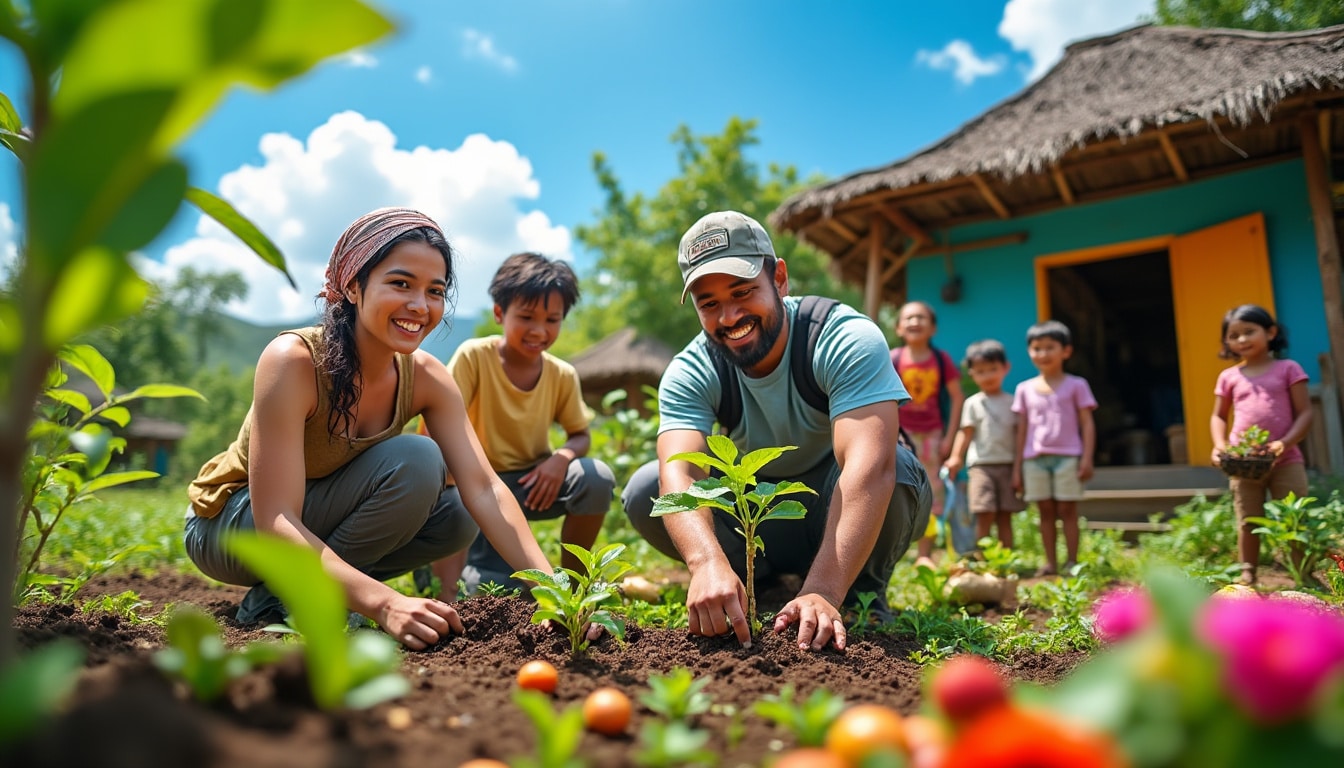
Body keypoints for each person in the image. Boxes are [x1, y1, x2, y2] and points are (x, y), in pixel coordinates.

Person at [184, 207, 555, 649]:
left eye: (434, 291)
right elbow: (276, 520)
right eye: (401, 284)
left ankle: (289, 598)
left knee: (457, 516)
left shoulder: (428, 379)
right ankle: (306, 595)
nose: (419, 306)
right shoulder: (294, 361)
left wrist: (556, 591)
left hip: (318, 519)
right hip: (232, 526)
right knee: (419, 459)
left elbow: (485, 488)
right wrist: (385, 604)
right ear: (354, 287)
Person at [622, 210, 932, 652]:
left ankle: (859, 590)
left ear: (780, 279)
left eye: (744, 291)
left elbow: (870, 466)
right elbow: (682, 474)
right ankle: (752, 582)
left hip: (838, 503)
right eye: (709, 303)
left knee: (896, 466)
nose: (729, 316)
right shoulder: (691, 370)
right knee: (648, 489)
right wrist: (706, 560)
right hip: (759, 520)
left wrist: (824, 589)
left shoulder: (841, 337)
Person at [419, 252, 615, 597]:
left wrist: (561, 458)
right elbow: (434, 428)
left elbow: (580, 434)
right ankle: (443, 583)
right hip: (473, 489)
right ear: (499, 313)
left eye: (552, 320)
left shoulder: (561, 375)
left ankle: (574, 586)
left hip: (531, 485)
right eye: (526, 317)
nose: (539, 330)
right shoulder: (474, 357)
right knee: (488, 594)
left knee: (595, 478)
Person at [1209, 304, 1312, 586]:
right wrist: (1219, 446)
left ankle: (1303, 572)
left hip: (1287, 459)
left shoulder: (1288, 368)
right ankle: (1248, 574)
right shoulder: (1229, 377)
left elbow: (1305, 412)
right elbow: (1219, 415)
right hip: (1243, 464)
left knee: (1294, 519)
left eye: (1249, 332)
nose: (1241, 339)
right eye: (1234, 335)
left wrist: (1285, 443)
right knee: (1247, 519)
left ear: (1271, 332)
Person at [1011, 320, 1097, 577]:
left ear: (1066, 351)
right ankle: (1050, 562)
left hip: (1068, 457)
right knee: (1045, 512)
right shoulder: (1024, 389)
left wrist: (1087, 458)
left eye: (1050, 347)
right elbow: (1021, 430)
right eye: (1037, 348)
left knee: (1068, 510)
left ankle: (1072, 561)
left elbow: (1087, 424)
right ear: (1029, 352)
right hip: (1034, 460)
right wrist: (1017, 468)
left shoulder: (1077, 385)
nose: (1043, 354)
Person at [890, 301, 964, 569]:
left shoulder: (941, 360)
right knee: (897, 488)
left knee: (932, 491)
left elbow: (958, 398)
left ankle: (924, 554)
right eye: (908, 318)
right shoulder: (892, 357)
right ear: (899, 327)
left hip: (932, 434)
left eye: (921, 317)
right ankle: (894, 550)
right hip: (900, 435)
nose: (914, 322)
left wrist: (949, 437)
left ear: (932, 327)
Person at [943, 339, 1023, 550]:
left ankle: (1005, 560)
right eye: (981, 371)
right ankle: (984, 560)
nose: (987, 376)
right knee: (984, 513)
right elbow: (965, 433)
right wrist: (955, 457)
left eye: (993, 369)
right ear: (972, 374)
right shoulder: (973, 403)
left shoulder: (1013, 402)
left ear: (1005, 368)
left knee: (1005, 516)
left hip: (1007, 464)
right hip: (981, 467)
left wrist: (1018, 469)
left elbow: (1019, 437)